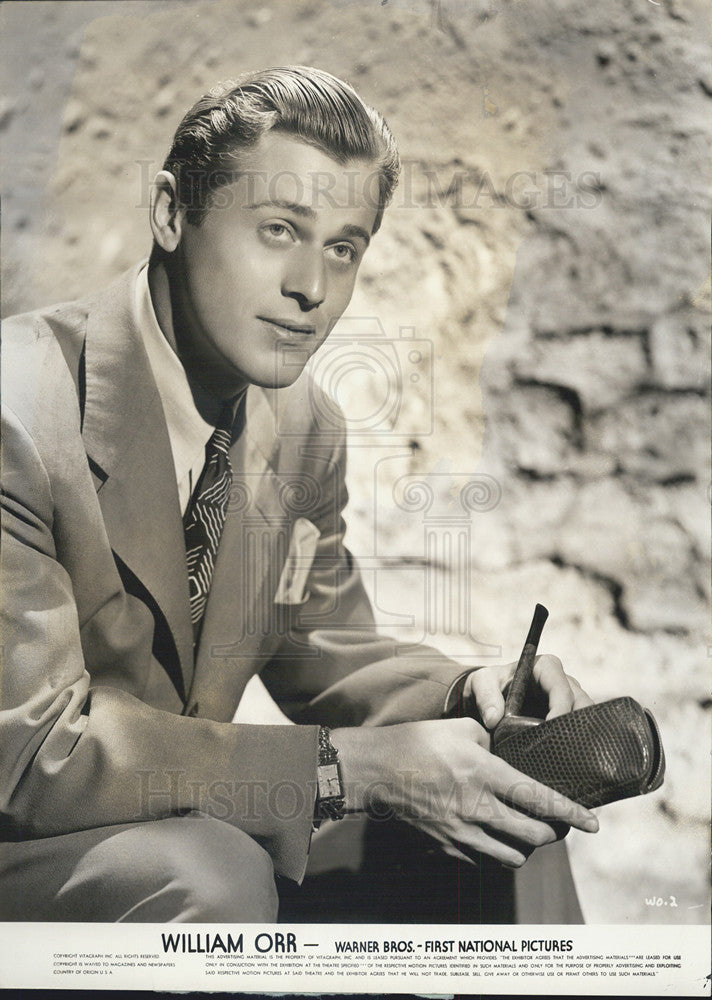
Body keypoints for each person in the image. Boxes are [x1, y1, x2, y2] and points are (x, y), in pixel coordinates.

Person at [0, 65, 598, 923]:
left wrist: (469, 691)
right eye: (280, 229)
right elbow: (29, 755)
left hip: (176, 814)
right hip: (26, 834)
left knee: (504, 817)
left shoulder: (304, 427)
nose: (312, 289)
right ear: (171, 212)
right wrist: (345, 770)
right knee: (209, 872)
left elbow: (321, 641)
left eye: (344, 248)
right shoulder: (17, 405)